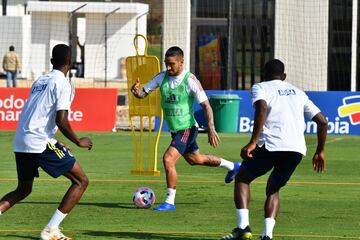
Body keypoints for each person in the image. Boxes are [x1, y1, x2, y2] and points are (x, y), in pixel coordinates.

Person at [221, 59, 328, 240]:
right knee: (273, 188)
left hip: (271, 144)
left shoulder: (261, 87)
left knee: (242, 177)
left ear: (264, 74)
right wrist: (320, 151)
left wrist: (253, 141)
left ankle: (242, 228)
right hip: (296, 149)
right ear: (284, 76)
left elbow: (262, 107)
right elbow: (323, 122)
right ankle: (267, 235)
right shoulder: (299, 92)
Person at [0, 44, 93, 240]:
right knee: (81, 181)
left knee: (23, 189)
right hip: (39, 142)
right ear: (70, 62)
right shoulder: (63, 83)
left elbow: (38, 116)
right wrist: (77, 141)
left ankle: (51, 229)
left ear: (52, 61)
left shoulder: (40, 80)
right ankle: (50, 230)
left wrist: (56, 141)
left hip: (22, 140)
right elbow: (61, 119)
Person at [131, 46, 241, 211]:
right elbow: (142, 94)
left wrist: (211, 128)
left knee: (168, 159)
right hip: (176, 131)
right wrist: (136, 91)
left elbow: (206, 105)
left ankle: (170, 201)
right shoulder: (162, 77)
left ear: (181, 62)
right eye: (166, 64)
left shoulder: (190, 80)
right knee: (195, 159)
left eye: (172, 64)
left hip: (187, 128)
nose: (168, 67)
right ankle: (233, 167)